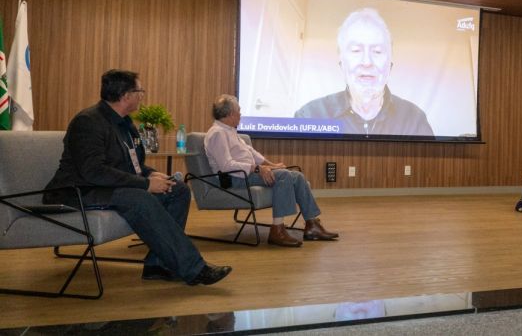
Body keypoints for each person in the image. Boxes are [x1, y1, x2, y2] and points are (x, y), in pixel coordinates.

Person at [44, 69, 231, 285]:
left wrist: (151, 174)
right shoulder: (88, 122)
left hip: (107, 188)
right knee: (139, 197)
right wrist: (145, 184)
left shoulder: (125, 124)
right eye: (139, 91)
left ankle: (157, 265)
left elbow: (133, 164)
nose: (142, 96)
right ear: (126, 96)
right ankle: (194, 268)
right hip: (77, 192)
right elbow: (92, 171)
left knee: (178, 190)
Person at [205, 94, 339, 247]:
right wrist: (257, 169)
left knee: (297, 176)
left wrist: (272, 165)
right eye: (239, 111)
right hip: (233, 178)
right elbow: (226, 166)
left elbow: (252, 153)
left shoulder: (230, 131)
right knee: (283, 176)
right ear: (229, 114)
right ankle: (277, 230)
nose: (241, 114)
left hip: (246, 174)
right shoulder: (217, 133)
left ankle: (312, 225)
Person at [294, 8, 434, 137]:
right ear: (342, 64)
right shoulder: (310, 115)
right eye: (356, 50)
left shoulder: (414, 120)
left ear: (390, 65)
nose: (367, 62)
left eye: (377, 51)